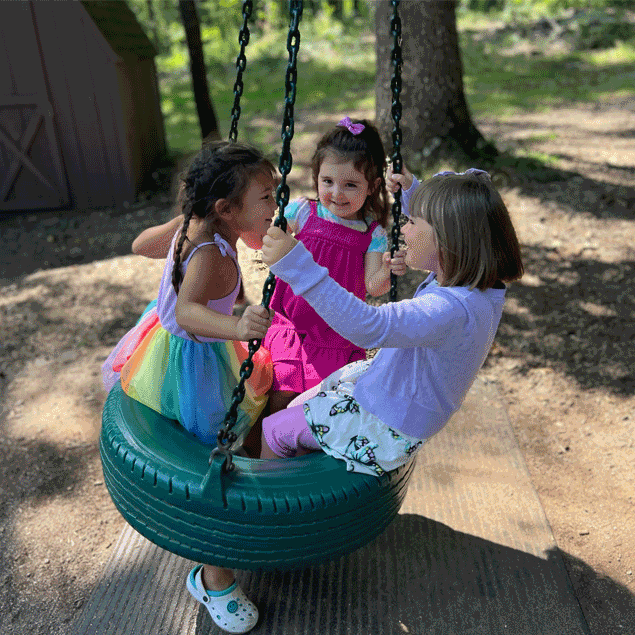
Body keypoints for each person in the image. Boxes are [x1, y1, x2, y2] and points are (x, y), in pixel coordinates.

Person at [101, 140, 277, 634]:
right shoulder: (213, 257)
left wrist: (180, 224)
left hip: (163, 345)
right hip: (194, 362)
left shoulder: (192, 228)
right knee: (209, 465)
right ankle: (212, 577)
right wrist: (239, 327)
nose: (274, 205)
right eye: (265, 197)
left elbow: (141, 245)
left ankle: (220, 552)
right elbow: (187, 313)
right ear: (226, 209)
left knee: (216, 445)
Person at [258, 166, 523, 478]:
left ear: (446, 241)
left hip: (386, 421)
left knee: (273, 429)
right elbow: (451, 224)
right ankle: (304, 474)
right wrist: (411, 190)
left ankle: (266, 506)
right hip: (393, 395)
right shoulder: (472, 286)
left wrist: (300, 267)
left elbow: (368, 326)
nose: (403, 228)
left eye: (411, 221)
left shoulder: (449, 309)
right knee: (296, 408)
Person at [263, 117, 405, 415]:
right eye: (328, 182)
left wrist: (388, 269)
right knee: (279, 395)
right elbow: (267, 234)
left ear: (373, 186)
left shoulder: (373, 235)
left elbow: (372, 286)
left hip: (336, 336)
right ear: (316, 177)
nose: (337, 193)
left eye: (350, 185)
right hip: (293, 324)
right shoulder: (302, 211)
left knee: (318, 407)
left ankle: (295, 452)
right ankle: (264, 451)